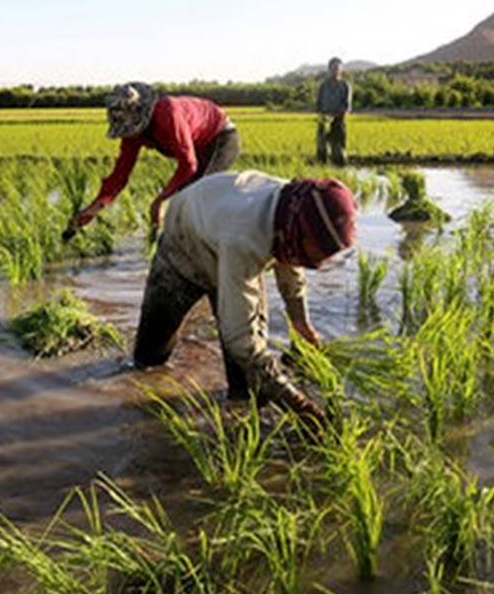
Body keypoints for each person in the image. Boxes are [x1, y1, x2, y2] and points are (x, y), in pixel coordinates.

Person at [133, 170, 358, 423]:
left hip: (225, 238)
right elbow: (243, 340)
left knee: (248, 387)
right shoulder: (246, 238)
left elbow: (290, 262)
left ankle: (237, 421)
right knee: (148, 359)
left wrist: (300, 322)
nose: (314, 262)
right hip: (183, 245)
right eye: (315, 255)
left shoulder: (293, 207)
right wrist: (299, 404)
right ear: (298, 230)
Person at [67, 82, 240, 236]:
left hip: (220, 136)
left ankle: (230, 240)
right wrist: (95, 207)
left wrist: (160, 200)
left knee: (198, 196)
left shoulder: (168, 114)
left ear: (139, 114)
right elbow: (120, 175)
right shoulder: (132, 135)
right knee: (185, 202)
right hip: (197, 146)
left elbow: (188, 164)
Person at [315, 57, 352, 166]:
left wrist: (335, 116)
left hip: (339, 120)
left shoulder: (345, 85)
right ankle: (322, 169)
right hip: (324, 119)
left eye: (337, 68)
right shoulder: (323, 85)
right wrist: (323, 116)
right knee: (322, 147)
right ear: (329, 69)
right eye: (332, 68)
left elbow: (347, 106)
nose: (335, 70)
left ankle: (340, 170)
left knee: (338, 148)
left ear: (341, 70)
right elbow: (319, 103)